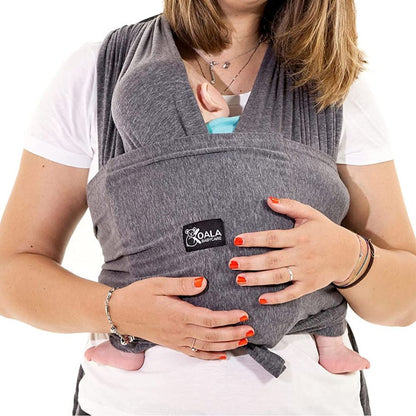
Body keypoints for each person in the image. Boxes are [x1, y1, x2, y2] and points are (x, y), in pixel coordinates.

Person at [0, 1, 415, 415]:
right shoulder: (102, 71)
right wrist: (117, 311)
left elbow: (406, 300)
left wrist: (348, 258)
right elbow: (10, 275)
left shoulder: (331, 83)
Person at [84, 63, 370, 375]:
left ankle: (127, 349)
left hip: (177, 310)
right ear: (210, 98)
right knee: (323, 301)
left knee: (131, 268)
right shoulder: (266, 129)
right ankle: (332, 346)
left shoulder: (136, 166)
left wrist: (118, 312)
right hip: (280, 296)